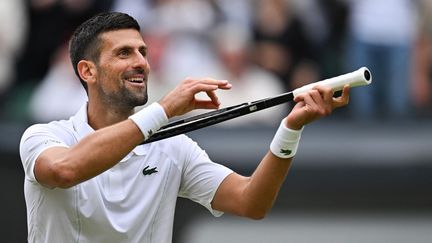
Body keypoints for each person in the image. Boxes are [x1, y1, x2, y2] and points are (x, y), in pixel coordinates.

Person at [19, 12, 350, 243]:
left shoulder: (172, 148)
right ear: (87, 71)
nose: (141, 62)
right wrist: (163, 110)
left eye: (143, 52)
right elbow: (65, 170)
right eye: (124, 53)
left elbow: (251, 202)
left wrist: (291, 128)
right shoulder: (44, 137)